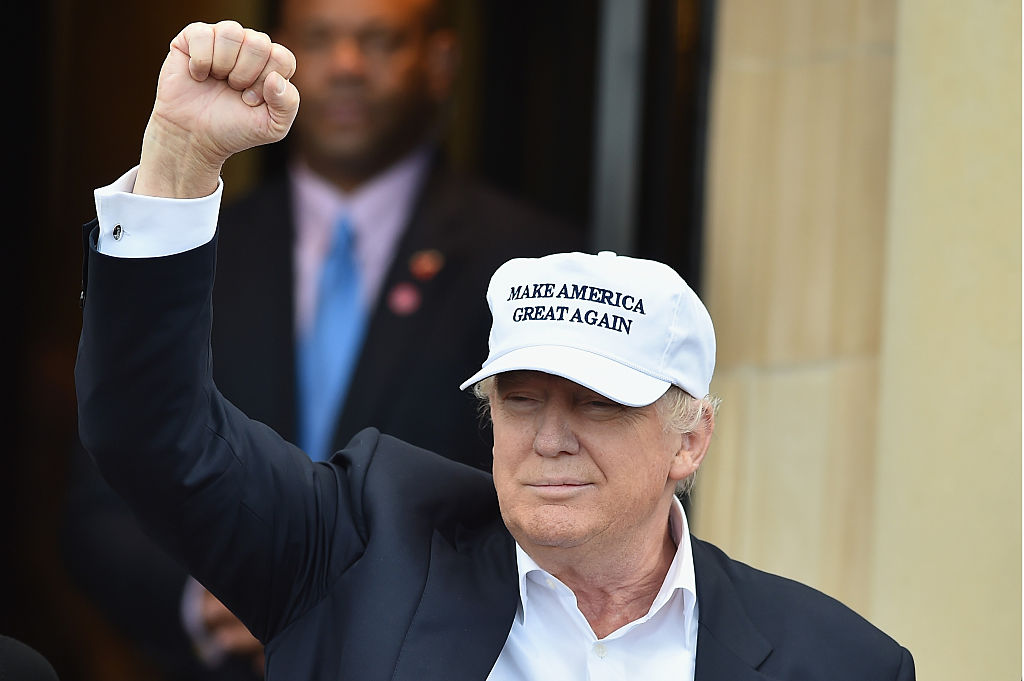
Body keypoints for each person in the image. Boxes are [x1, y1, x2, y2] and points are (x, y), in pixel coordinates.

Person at [74, 21, 916, 681]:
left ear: (689, 439)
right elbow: (156, 432)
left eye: (596, 401)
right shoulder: (363, 548)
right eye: (521, 397)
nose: (550, 435)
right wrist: (181, 160)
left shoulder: (837, 661)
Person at [61, 1, 579, 678]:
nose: (346, 67)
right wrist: (200, 595)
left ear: (442, 62)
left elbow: (559, 502)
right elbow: (108, 487)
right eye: (320, 39)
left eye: (380, 41)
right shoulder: (195, 242)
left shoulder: (531, 265)